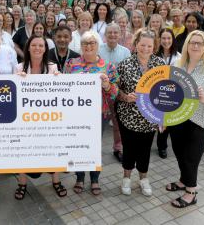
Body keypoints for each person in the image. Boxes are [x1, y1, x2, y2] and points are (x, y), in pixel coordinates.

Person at [167, 30, 204, 208]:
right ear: (187, 45)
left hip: (199, 120)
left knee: (191, 158)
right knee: (179, 153)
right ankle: (184, 181)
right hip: (178, 118)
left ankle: (191, 192)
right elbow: (170, 92)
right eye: (192, 42)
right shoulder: (179, 64)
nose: (195, 45)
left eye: (200, 43)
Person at [64, 31, 119, 195]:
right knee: (78, 146)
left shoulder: (108, 66)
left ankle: (95, 179)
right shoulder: (71, 64)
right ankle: (79, 177)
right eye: (85, 43)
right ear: (80, 46)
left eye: (92, 43)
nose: (88, 46)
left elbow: (115, 92)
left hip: (98, 115)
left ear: (97, 45)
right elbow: (62, 87)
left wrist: (107, 86)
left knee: (95, 147)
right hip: (75, 114)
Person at [14, 35, 67, 200]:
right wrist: (17, 81)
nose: (37, 48)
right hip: (26, 118)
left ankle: (56, 181)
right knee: (23, 152)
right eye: (34, 45)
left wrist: (60, 80)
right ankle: (22, 183)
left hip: (48, 118)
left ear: (45, 49)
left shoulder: (52, 68)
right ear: (28, 48)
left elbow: (62, 92)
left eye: (41, 46)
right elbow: (12, 93)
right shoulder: (19, 68)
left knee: (54, 149)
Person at [116, 30, 165, 197]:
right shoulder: (125, 64)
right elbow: (116, 90)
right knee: (129, 149)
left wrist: (163, 117)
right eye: (142, 44)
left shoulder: (160, 64)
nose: (145, 48)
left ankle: (144, 179)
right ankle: (126, 178)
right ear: (136, 44)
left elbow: (167, 93)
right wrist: (125, 97)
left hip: (150, 117)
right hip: (128, 116)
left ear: (154, 47)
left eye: (149, 46)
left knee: (145, 150)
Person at [99, 23, 131, 162]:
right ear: (105, 35)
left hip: (118, 92)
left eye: (115, 33)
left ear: (119, 35)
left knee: (118, 123)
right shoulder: (98, 50)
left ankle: (118, 148)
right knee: (98, 123)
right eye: (109, 32)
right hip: (100, 94)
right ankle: (94, 150)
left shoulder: (125, 52)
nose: (112, 35)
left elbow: (127, 74)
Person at [155, 28, 181, 158]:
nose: (166, 41)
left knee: (170, 121)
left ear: (173, 39)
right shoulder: (154, 55)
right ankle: (161, 146)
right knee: (160, 120)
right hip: (157, 92)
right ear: (159, 40)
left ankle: (171, 146)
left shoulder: (179, 57)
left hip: (173, 92)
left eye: (169, 38)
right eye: (163, 38)